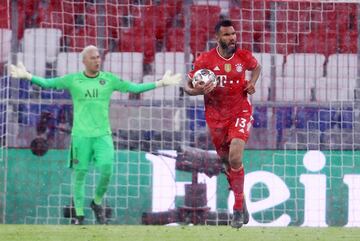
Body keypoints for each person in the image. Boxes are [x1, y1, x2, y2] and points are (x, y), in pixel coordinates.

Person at [9, 45, 181, 225]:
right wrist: (28, 76)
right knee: (79, 175)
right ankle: (79, 215)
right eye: (92, 58)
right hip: (81, 136)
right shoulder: (73, 80)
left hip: (102, 135)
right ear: (84, 61)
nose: (97, 60)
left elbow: (134, 88)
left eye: (98, 57)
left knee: (107, 169)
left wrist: (160, 83)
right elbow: (48, 83)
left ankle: (97, 202)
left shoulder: (109, 79)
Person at [184, 19, 261, 228]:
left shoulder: (243, 56)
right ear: (217, 37)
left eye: (234, 34)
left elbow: (257, 67)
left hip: (240, 112)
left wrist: (252, 84)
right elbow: (188, 85)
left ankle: (236, 210)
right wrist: (198, 90)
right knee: (227, 163)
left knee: (236, 156)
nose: (232, 38)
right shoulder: (205, 60)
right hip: (216, 118)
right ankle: (240, 199)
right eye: (227, 34)